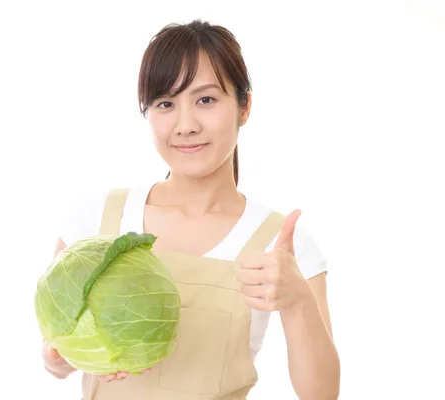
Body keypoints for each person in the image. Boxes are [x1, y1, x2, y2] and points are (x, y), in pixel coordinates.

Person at [42, 19, 340, 400]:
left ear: (244, 105)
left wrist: (298, 301)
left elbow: (322, 394)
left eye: (206, 100)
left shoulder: (283, 242)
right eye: (165, 104)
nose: (186, 125)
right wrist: (59, 357)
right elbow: (53, 358)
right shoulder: (97, 218)